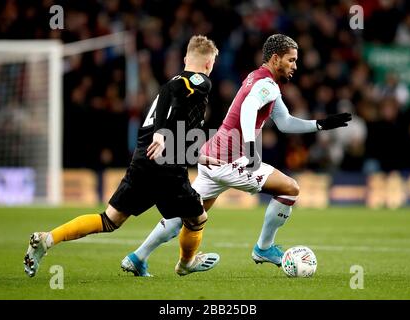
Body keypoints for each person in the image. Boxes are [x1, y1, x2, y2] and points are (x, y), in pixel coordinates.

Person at [120, 34, 352, 277]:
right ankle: (263, 248)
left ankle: (138, 257)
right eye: (291, 60)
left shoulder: (259, 79)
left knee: (188, 213)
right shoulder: (266, 85)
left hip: (213, 156)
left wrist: (321, 125)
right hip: (230, 160)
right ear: (275, 59)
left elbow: (284, 123)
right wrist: (251, 148)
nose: (295, 66)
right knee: (289, 189)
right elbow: (250, 108)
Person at [23, 35, 221, 277]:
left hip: (143, 158)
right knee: (197, 218)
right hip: (166, 164)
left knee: (110, 219)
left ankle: (48, 239)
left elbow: (176, 114)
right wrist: (162, 134)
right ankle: (186, 263)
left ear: (184, 58)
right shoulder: (198, 82)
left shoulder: (177, 87)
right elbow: (173, 91)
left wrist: (196, 154)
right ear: (209, 63)